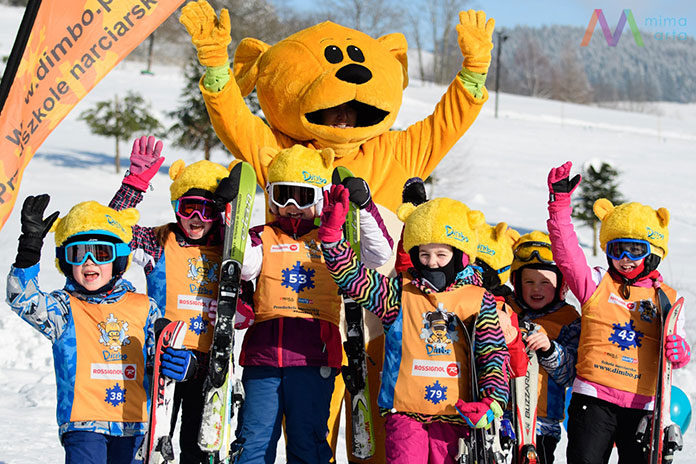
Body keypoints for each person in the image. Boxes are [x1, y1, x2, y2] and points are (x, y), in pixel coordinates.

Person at [321, 195, 509, 463]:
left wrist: (492, 401)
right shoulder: (398, 293)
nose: (432, 262)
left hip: (456, 416)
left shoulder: (478, 299)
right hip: (405, 415)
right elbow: (354, 279)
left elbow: (492, 354)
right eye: (424, 254)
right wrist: (331, 238)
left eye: (441, 255)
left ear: (460, 255)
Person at [234, 145, 392, 463]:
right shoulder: (263, 235)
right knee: (254, 441)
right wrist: (233, 221)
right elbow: (244, 266)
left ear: (319, 197)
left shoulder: (332, 239)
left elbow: (380, 254)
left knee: (307, 440)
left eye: (302, 197)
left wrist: (364, 209)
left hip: (313, 354)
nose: (292, 207)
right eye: (283, 196)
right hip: (263, 355)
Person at [546, 161, 690, 463]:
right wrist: (559, 207)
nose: (624, 259)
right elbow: (568, 256)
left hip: (644, 404)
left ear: (654, 252)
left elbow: (679, 352)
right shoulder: (596, 283)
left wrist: (680, 352)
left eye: (635, 250)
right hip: (594, 399)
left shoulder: (667, 299)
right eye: (616, 249)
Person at [109, 136, 240, 464]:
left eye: (206, 209)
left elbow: (247, 296)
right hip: (162, 365)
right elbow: (110, 231)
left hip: (209, 364)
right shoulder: (159, 241)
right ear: (176, 208)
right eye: (188, 207)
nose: (196, 218)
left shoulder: (230, 250)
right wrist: (134, 184)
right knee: (154, 447)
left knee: (197, 449)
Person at [6, 196, 161, 464]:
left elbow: (162, 354)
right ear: (67, 264)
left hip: (134, 423)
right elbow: (22, 299)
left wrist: (181, 363)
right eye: (78, 254)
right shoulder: (63, 309)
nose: (89, 262)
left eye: (101, 253)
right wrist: (29, 249)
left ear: (119, 260)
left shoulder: (144, 308)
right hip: (83, 424)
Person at [506, 231, 580, 464]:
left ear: (561, 285)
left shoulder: (569, 318)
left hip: (543, 422)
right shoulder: (504, 310)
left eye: (545, 283)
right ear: (517, 283)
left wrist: (550, 349)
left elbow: (571, 374)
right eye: (529, 281)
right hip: (503, 416)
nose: (536, 289)